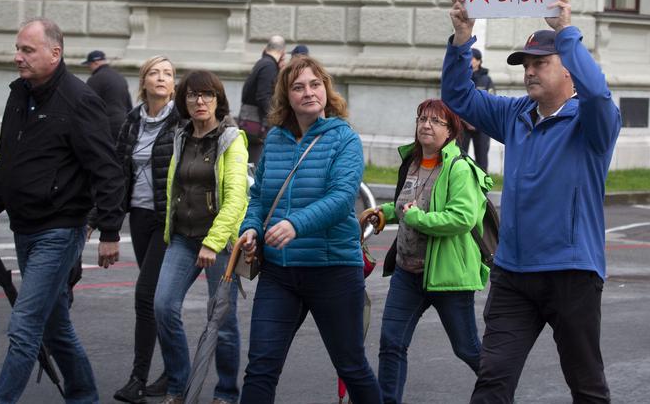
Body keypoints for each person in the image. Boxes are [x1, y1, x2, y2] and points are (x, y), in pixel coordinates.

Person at [443, 0, 621, 404]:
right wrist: (462, 39)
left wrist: (567, 32)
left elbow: (598, 91)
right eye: (525, 64)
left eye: (540, 62)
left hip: (571, 274)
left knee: (587, 388)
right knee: (492, 381)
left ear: (567, 69)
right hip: (514, 275)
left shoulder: (592, 122)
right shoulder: (516, 114)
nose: (529, 71)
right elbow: (457, 95)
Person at [0, 17, 125, 404]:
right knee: (56, 328)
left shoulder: (80, 99)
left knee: (25, 325)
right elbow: (8, 158)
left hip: (60, 230)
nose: (17, 57)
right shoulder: (19, 94)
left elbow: (107, 168)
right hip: (25, 227)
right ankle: (85, 395)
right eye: (17, 48)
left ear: (55, 53)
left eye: (27, 50)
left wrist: (109, 232)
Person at [238, 56, 382, 404]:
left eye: (315, 84)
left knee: (350, 365)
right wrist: (251, 227)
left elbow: (340, 198)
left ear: (326, 90)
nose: (308, 92)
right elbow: (258, 196)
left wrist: (295, 224)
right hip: (279, 273)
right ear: (286, 97)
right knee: (260, 367)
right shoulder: (274, 140)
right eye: (298, 87)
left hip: (332, 270)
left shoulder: (344, 139)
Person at [369, 98, 492, 404]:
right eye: (422, 118)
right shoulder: (410, 162)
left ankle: (501, 393)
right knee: (391, 343)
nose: (426, 125)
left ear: (451, 131)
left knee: (467, 348)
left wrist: (417, 220)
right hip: (407, 273)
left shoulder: (460, 168)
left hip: (448, 276)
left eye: (436, 121)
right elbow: (407, 204)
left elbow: (462, 218)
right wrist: (385, 212)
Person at [153, 69, 249, 404]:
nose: (199, 101)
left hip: (219, 242)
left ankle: (226, 392)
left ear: (218, 99)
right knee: (163, 306)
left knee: (221, 318)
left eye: (207, 94)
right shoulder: (180, 135)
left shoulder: (231, 139)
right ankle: (179, 385)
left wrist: (214, 241)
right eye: (192, 95)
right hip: (182, 236)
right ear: (184, 101)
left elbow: (237, 198)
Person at [109, 56, 180, 403]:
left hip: (167, 220)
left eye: (167, 74)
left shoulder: (181, 121)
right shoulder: (133, 120)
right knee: (157, 301)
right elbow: (118, 170)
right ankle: (173, 371)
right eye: (155, 73)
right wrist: (102, 221)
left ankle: (138, 378)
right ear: (144, 81)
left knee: (145, 296)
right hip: (138, 215)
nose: (161, 78)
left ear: (174, 83)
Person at [238, 35, 286, 167]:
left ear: (266, 48)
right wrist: (277, 118)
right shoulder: (269, 66)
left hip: (250, 122)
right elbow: (263, 97)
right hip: (258, 125)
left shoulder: (262, 63)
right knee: (256, 164)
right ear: (283, 52)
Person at [456, 48, 495, 171]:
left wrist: (478, 122)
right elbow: (456, 101)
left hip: (482, 125)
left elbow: (491, 103)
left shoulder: (486, 80)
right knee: (460, 157)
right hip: (463, 124)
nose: (469, 61)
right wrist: (465, 120)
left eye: (472, 59)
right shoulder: (461, 78)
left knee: (482, 159)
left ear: (479, 61)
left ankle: (482, 188)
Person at [83, 50, 133, 140]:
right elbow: (129, 105)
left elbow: (87, 105)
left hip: (105, 126)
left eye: (89, 65)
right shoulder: (120, 77)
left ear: (95, 63)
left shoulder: (95, 79)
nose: (89, 68)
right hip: (123, 124)